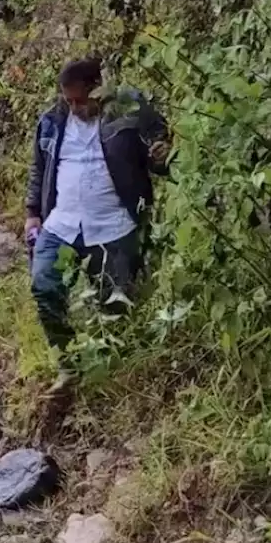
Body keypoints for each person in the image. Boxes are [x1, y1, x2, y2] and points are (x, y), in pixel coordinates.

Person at [26, 57, 169, 389]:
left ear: (98, 87)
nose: (74, 107)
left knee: (116, 309)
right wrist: (32, 212)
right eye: (68, 100)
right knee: (44, 287)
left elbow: (161, 150)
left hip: (113, 226)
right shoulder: (51, 121)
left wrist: (161, 155)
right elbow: (39, 169)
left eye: (80, 99)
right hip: (60, 224)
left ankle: (116, 381)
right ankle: (67, 367)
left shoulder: (128, 109)